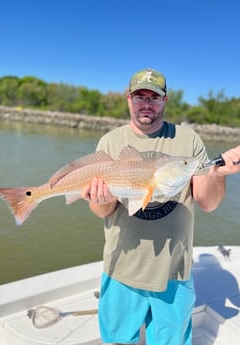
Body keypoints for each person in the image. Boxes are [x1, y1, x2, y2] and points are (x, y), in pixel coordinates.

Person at [82, 68, 240, 345]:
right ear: (128, 99)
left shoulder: (188, 140)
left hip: (175, 272)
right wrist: (101, 199)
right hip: (121, 268)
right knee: (119, 340)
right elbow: (102, 212)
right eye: (139, 95)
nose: (146, 103)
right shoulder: (110, 142)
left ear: (165, 100)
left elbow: (208, 203)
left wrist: (217, 174)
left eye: (154, 96)